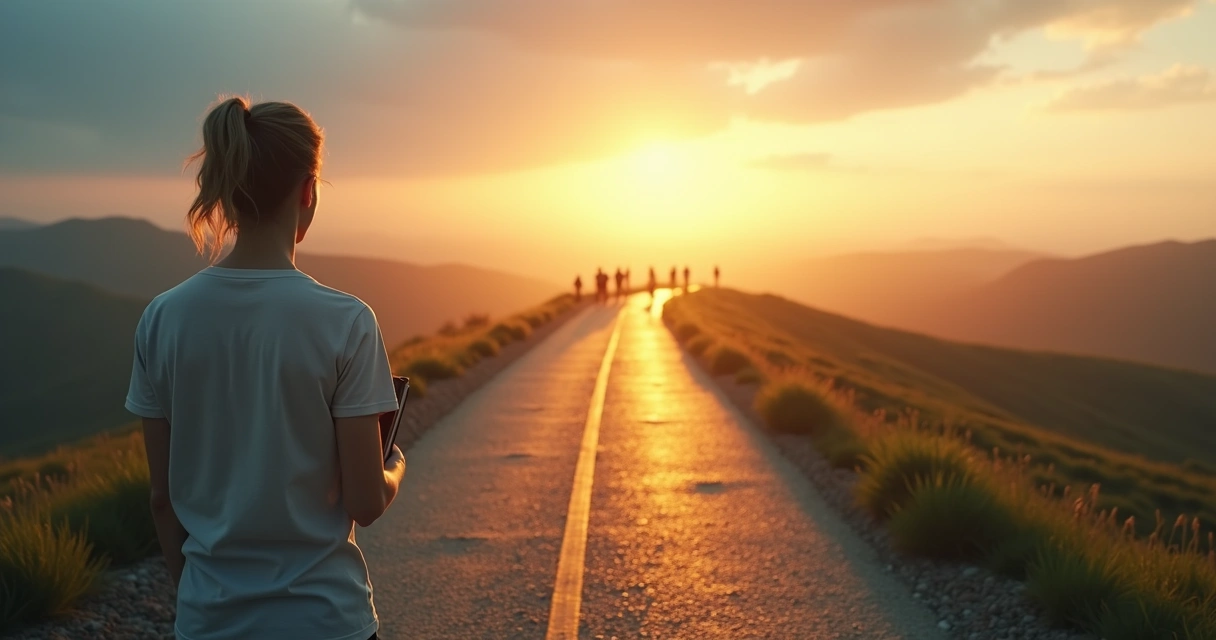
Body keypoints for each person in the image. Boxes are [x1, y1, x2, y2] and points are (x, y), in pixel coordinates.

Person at [126, 96, 401, 640]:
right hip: (326, 619)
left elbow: (162, 499)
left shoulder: (162, 318)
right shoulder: (347, 322)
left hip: (209, 618)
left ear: (228, 189)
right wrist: (394, 466)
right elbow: (365, 502)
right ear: (308, 191)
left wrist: (195, 602)